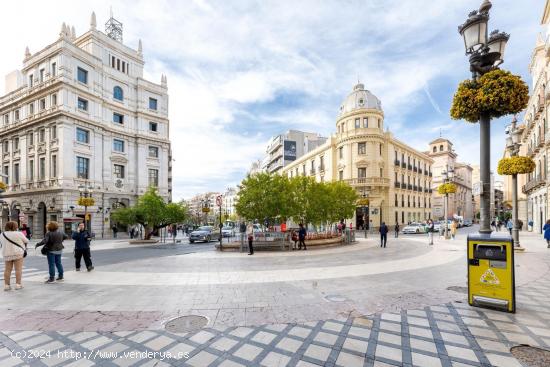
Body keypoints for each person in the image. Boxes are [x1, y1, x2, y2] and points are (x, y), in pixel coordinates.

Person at [1, 221, 29, 291]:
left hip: (7, 253)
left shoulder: (2, 234)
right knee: (18, 269)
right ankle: (18, 285)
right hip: (18, 253)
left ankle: (7, 285)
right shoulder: (19, 233)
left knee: (7, 270)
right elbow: (26, 241)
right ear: (15, 227)